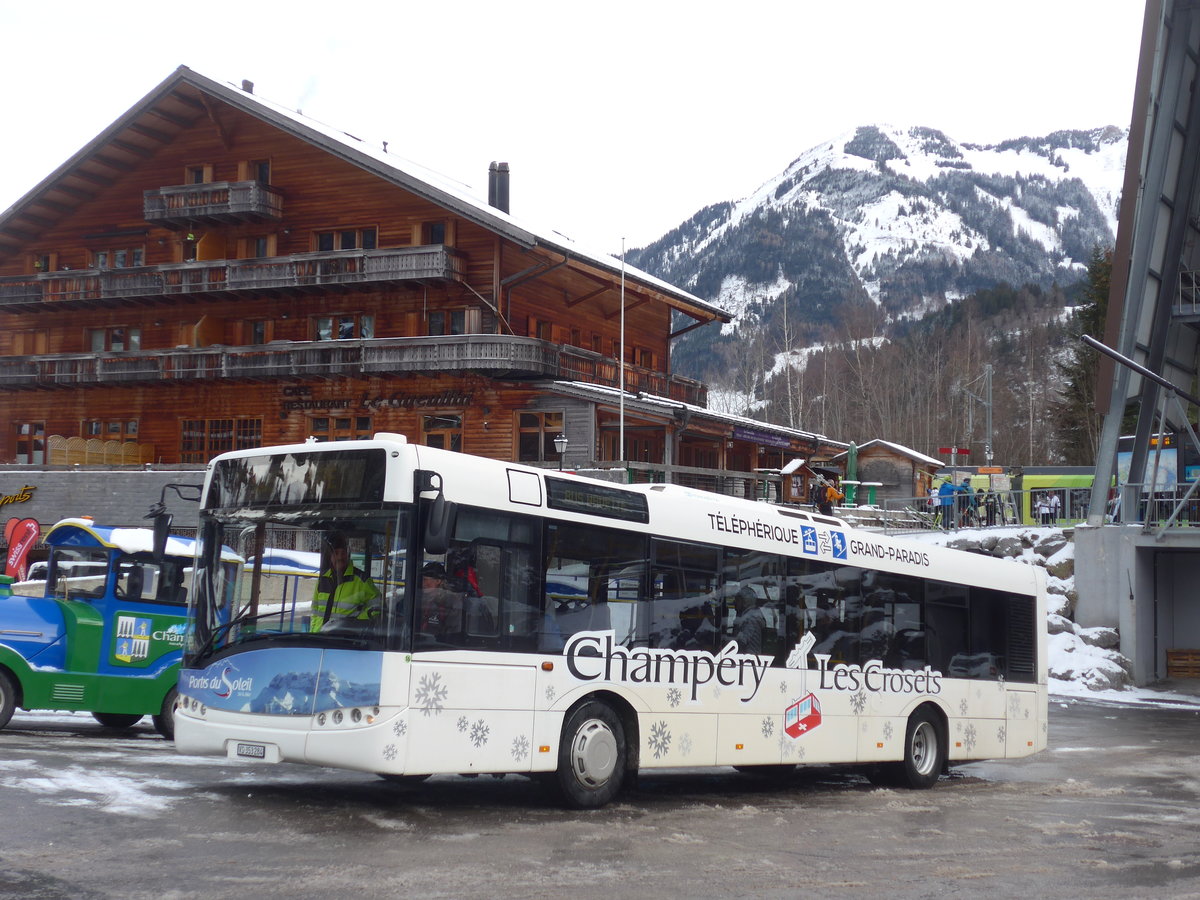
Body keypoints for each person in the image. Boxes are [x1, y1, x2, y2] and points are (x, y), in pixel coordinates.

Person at [309, 534, 380, 632]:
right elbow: (314, 611)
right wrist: (313, 634)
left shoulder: (361, 580)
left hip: (345, 641)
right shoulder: (323, 579)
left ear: (348, 554)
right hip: (320, 640)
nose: (340, 557)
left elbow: (377, 605)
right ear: (330, 556)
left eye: (343, 553)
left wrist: (357, 624)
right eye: (336, 553)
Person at [418, 561, 463, 638]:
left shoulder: (450, 602)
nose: (422, 583)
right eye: (421, 580)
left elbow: (452, 632)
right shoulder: (418, 598)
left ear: (438, 581)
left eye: (425, 580)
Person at [733, 585, 766, 655]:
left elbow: (742, 641)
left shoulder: (751, 618)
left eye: (738, 600)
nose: (734, 603)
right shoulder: (747, 615)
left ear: (746, 601)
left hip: (750, 658)